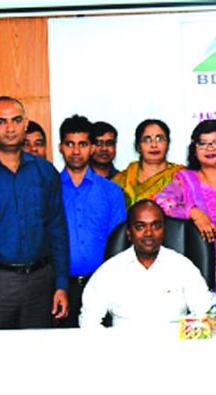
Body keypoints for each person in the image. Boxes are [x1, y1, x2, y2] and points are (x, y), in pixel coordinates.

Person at [0, 96, 69, 329]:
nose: (10, 128)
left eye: (16, 120)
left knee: (38, 356)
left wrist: (61, 284)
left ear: (25, 123)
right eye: (1, 122)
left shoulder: (45, 172)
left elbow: (57, 230)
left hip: (41, 282)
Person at [155, 120, 216, 316]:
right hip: (194, 267)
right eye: (203, 143)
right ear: (194, 149)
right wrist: (193, 212)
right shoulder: (184, 179)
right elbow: (160, 201)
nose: (209, 148)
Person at [79, 200, 214, 327]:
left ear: (164, 230)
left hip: (174, 348)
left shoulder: (183, 267)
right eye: (140, 226)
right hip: (123, 348)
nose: (149, 233)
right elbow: (89, 321)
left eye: (156, 226)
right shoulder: (109, 271)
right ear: (129, 233)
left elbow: (205, 312)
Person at [59, 115, 127, 327]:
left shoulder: (111, 191)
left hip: (102, 287)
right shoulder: (49, 188)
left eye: (83, 144)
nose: (76, 151)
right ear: (61, 147)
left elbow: (119, 245)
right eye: (70, 144)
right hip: (59, 289)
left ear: (92, 148)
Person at [112, 119, 184, 206]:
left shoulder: (182, 177)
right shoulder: (121, 180)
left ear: (168, 144)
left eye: (160, 139)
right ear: (138, 146)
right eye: (147, 139)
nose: (154, 145)